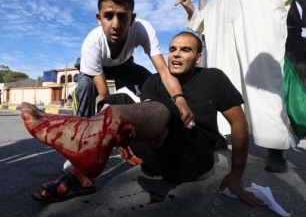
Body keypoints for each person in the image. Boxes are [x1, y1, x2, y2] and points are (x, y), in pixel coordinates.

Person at [20, 32, 263, 207]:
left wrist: (236, 176)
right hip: (153, 158)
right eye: (173, 49)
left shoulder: (214, 78)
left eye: (186, 50)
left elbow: (238, 123)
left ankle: (93, 130)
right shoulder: (153, 81)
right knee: (117, 102)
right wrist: (128, 131)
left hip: (192, 157)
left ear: (198, 58)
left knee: (166, 108)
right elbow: (149, 114)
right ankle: (83, 175)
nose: (177, 55)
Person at [179, 0, 306, 173]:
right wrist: (188, 7)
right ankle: (221, 134)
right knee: (226, 88)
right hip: (226, 48)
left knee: (265, 89)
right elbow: (202, 22)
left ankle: (276, 148)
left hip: (259, 48)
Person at [75, 0, 193, 125]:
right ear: (99, 19)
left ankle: (160, 126)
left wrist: (180, 99)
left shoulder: (143, 29)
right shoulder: (92, 43)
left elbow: (164, 71)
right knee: (85, 85)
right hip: (98, 69)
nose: (116, 25)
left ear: (132, 19)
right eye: (108, 16)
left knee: (153, 83)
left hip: (124, 66)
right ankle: (81, 127)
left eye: (122, 17)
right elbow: (105, 95)